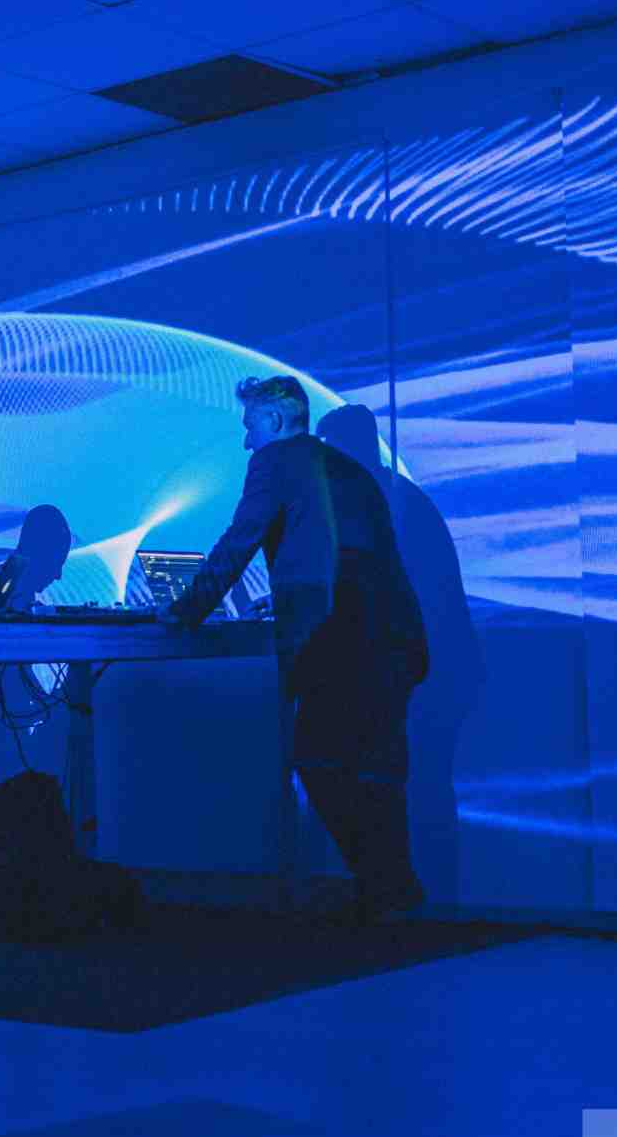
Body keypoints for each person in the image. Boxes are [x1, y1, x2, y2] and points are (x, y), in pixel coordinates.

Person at [163, 377, 430, 924]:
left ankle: (382, 891)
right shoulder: (352, 471)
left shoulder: (277, 461)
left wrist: (184, 611)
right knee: (377, 773)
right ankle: (394, 898)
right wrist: (285, 596)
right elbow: (343, 553)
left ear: (275, 421)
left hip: (341, 636)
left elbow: (239, 541)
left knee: (319, 760)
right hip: (394, 635)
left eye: (250, 427)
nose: (247, 442)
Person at [316, 404, 482, 908]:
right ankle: (430, 901)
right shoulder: (399, 496)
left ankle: (410, 898)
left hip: (422, 669)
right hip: (439, 667)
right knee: (424, 785)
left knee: (411, 785)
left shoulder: (382, 504)